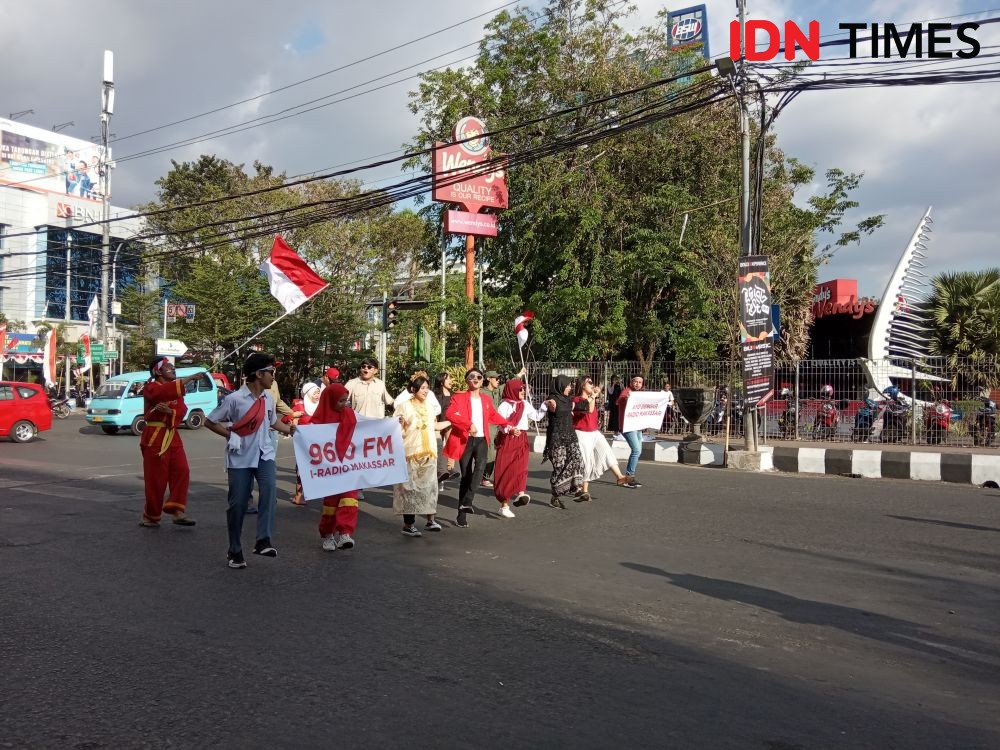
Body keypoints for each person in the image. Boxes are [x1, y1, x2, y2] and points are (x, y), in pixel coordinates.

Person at [206, 352, 296, 570]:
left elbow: (273, 422)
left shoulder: (267, 399)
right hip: (240, 459)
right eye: (271, 372)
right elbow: (210, 421)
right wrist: (230, 434)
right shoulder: (234, 400)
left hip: (264, 455)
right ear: (258, 374)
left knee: (270, 492)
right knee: (237, 505)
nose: (273, 377)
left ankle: (262, 540)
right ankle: (235, 550)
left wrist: (294, 430)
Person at [444, 368, 514, 528]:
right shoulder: (459, 398)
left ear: (483, 380)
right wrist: (468, 424)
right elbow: (450, 414)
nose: (475, 379)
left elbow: (493, 416)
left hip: (482, 439)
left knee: (481, 468)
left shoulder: (485, 399)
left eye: (479, 377)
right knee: (466, 476)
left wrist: (509, 425)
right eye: (471, 376)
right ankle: (461, 514)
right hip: (465, 440)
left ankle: (467, 501)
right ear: (467, 380)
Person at [138, 356, 200, 528]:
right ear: (157, 371)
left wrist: (170, 412)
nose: (173, 370)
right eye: (168, 368)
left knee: (182, 471)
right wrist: (188, 379)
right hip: (154, 437)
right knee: (156, 479)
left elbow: (182, 409)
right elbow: (160, 393)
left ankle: (177, 510)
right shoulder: (150, 387)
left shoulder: (176, 390)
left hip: (172, 435)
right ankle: (150, 515)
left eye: (173, 367)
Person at [393, 374, 451, 536]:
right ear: (414, 389)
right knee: (410, 489)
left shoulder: (429, 406)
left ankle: (430, 520)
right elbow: (396, 428)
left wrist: (453, 421)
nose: (426, 391)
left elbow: (433, 425)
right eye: (423, 388)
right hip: (410, 453)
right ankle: (408, 524)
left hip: (429, 452)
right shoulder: (404, 406)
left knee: (430, 488)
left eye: (427, 388)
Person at [310, 383, 362, 551]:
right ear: (330, 400)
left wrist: (390, 423)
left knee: (350, 498)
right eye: (340, 401)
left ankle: (345, 533)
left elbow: (368, 425)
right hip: (329, 469)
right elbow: (308, 433)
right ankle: (328, 535)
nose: (344, 404)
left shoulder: (350, 414)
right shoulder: (319, 419)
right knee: (331, 503)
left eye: (346, 401)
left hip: (347, 467)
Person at [573, 376, 636, 500]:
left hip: (594, 432)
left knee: (607, 452)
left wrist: (597, 393)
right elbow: (589, 409)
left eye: (592, 382)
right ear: (582, 386)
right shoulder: (576, 400)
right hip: (582, 433)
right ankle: (583, 490)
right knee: (586, 461)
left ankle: (619, 477)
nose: (592, 384)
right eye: (589, 382)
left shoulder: (592, 398)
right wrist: (594, 395)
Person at [493, 378, 540, 518]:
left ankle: (520, 493)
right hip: (508, 439)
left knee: (521, 467)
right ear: (512, 390)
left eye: (523, 389)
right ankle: (504, 505)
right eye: (520, 389)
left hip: (522, 438)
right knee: (506, 470)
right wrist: (511, 429)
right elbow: (500, 423)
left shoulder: (524, 404)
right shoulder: (505, 405)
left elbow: (537, 416)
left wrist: (545, 406)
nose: (523, 391)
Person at [542, 375, 585, 508]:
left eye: (570, 385)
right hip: (557, 438)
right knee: (559, 466)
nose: (570, 388)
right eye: (567, 385)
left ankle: (577, 489)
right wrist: (549, 403)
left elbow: (584, 406)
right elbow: (552, 406)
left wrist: (592, 396)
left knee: (577, 459)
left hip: (570, 436)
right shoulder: (552, 399)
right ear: (560, 385)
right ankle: (555, 495)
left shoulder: (568, 399)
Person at [290, 381, 322, 506]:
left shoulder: (321, 406)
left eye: (319, 393)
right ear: (308, 394)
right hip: (303, 444)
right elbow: (291, 420)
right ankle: (298, 496)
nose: (317, 395)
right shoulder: (300, 406)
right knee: (301, 468)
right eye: (315, 393)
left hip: (319, 443)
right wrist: (294, 428)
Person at [616, 375, 645, 488]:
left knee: (638, 451)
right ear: (631, 382)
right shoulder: (626, 391)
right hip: (627, 426)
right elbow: (620, 400)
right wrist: (627, 398)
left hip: (637, 427)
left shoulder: (641, 394)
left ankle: (629, 477)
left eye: (640, 382)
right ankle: (629, 477)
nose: (638, 384)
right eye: (635, 382)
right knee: (636, 450)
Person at [433, 371, 458, 487]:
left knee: (451, 444)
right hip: (437, 423)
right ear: (441, 381)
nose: (451, 381)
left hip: (449, 423)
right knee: (438, 446)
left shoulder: (453, 395)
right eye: (448, 379)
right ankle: (439, 472)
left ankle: (449, 468)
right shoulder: (435, 394)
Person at [481, 370, 504, 488]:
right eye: (496, 378)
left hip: (497, 425)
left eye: (499, 378)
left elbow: (509, 386)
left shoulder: (497, 391)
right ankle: (485, 477)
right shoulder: (481, 392)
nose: (498, 380)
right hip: (487, 425)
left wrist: (519, 375)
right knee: (490, 453)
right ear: (489, 379)